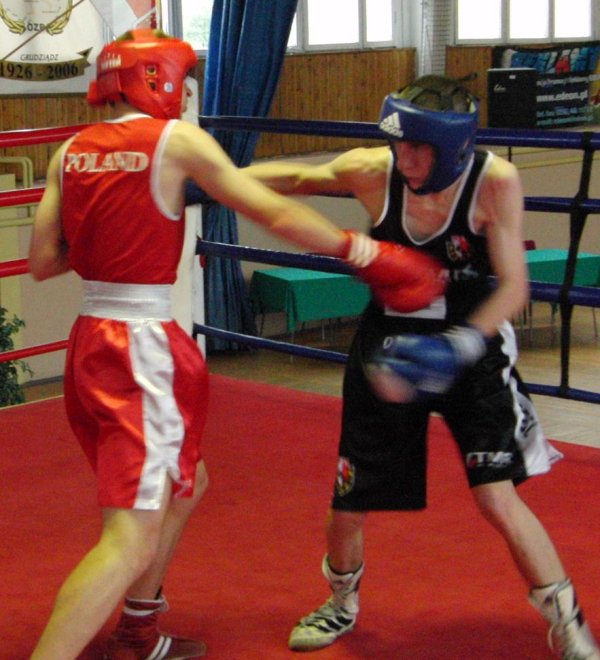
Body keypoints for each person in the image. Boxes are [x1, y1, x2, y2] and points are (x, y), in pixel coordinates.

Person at [27, 30, 445, 660]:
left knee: (186, 483)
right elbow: (271, 211)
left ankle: (139, 631)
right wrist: (364, 252)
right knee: (130, 537)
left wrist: (113, 231)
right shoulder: (175, 141)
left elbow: (43, 261)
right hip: (139, 348)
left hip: (90, 339)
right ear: (160, 79)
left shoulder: (70, 152)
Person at [244, 75, 600, 659]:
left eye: (418, 147)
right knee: (350, 502)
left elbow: (515, 286)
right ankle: (340, 602)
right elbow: (296, 179)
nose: (403, 157)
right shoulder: (372, 170)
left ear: (453, 149)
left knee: (496, 497)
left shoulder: (494, 182)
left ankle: (566, 622)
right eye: (398, 143)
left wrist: (460, 345)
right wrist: (208, 179)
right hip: (388, 345)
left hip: (471, 344)